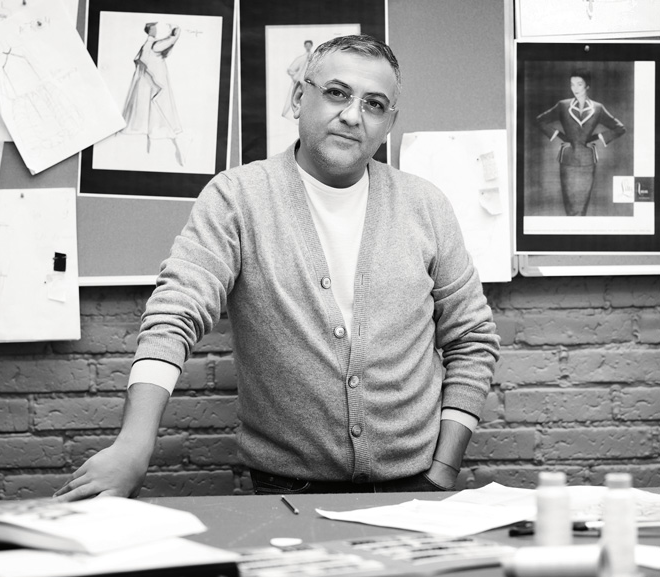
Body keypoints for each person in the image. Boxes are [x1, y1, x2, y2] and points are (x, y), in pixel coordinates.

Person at [55, 34, 500, 499]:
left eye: (374, 104)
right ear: (299, 97)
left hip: (415, 489)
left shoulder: (424, 205)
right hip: (287, 492)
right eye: (337, 93)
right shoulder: (238, 198)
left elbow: (472, 337)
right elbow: (175, 313)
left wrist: (443, 469)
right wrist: (134, 445)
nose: (353, 115)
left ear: (389, 122)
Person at [535, 69, 626, 216]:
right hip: (567, 160)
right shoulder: (563, 105)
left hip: (588, 161)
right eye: (572, 84)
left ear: (587, 86)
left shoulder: (598, 108)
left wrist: (597, 137)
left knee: (582, 208)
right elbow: (540, 121)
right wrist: (559, 135)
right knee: (570, 207)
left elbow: (620, 128)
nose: (575, 88)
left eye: (579, 84)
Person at [121, 22, 185, 164]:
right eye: (154, 28)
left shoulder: (149, 44)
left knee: (152, 111)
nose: (156, 29)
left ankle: (151, 150)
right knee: (159, 110)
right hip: (155, 84)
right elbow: (172, 40)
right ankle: (160, 149)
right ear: (150, 30)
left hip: (151, 83)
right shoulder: (154, 45)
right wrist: (176, 31)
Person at [281, 40, 314, 119]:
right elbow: (290, 70)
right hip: (301, 83)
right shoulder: (301, 58)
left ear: (311, 46)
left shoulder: (314, 57)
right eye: (307, 45)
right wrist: (297, 78)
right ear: (305, 46)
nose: (308, 47)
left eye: (309, 45)